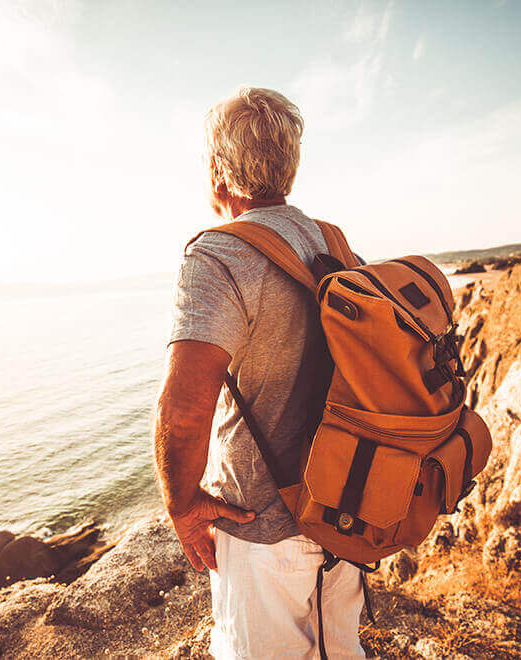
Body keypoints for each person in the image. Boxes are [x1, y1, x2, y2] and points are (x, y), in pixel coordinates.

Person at [152, 87, 366, 659]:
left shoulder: (218, 255)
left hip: (262, 527)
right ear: (288, 167)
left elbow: (186, 407)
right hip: (343, 511)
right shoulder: (335, 244)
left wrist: (181, 504)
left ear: (219, 170)